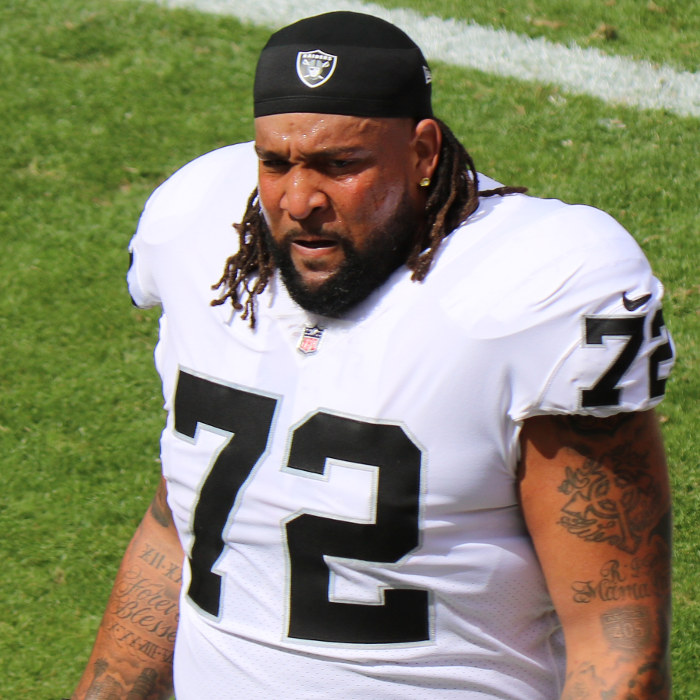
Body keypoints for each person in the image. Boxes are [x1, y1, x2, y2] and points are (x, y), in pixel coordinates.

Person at [70, 11, 675, 700]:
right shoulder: (199, 230)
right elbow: (176, 529)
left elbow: (615, 639)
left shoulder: (528, 290)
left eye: (341, 165)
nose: (300, 200)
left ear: (423, 154)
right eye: (276, 163)